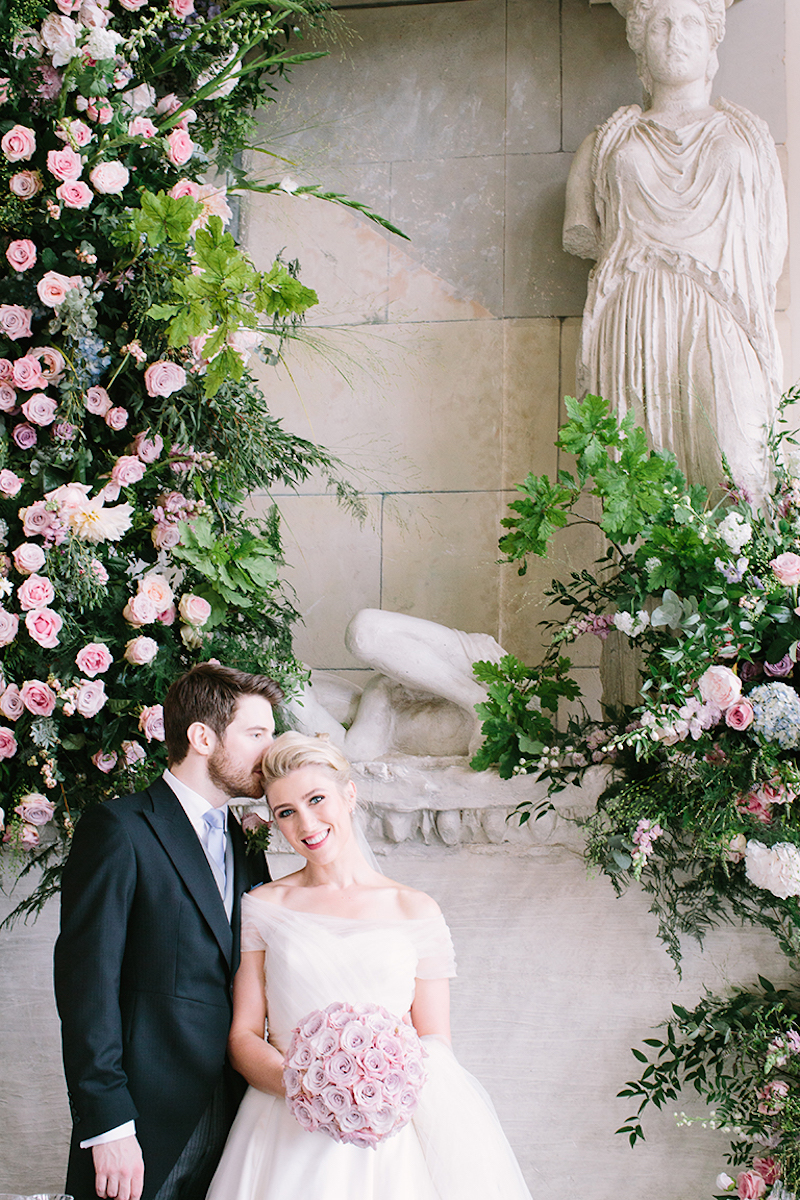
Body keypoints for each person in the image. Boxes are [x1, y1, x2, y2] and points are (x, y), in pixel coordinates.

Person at [205, 731, 533, 1199]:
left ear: (349, 794)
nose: (306, 823)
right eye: (286, 812)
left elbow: (435, 1042)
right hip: (281, 1130)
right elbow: (242, 1037)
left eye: (317, 799)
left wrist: (377, 1087)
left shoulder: (416, 910)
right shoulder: (263, 906)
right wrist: (307, 1088)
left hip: (387, 1141)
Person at [54, 662, 282, 1200]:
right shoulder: (119, 829)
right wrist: (107, 1123)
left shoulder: (246, 844)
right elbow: (87, 986)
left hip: (238, 1119)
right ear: (202, 737)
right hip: (143, 1121)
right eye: (256, 735)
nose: (270, 753)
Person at [563, 0, 787, 501]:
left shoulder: (748, 136)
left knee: (741, 472)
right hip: (634, 315)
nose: (675, 35)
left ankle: (747, 576)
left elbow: (772, 245)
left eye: (688, 21)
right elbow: (584, 233)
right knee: (637, 490)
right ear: (639, 40)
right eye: (660, 23)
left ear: (712, 37)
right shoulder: (606, 143)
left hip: (721, 313)